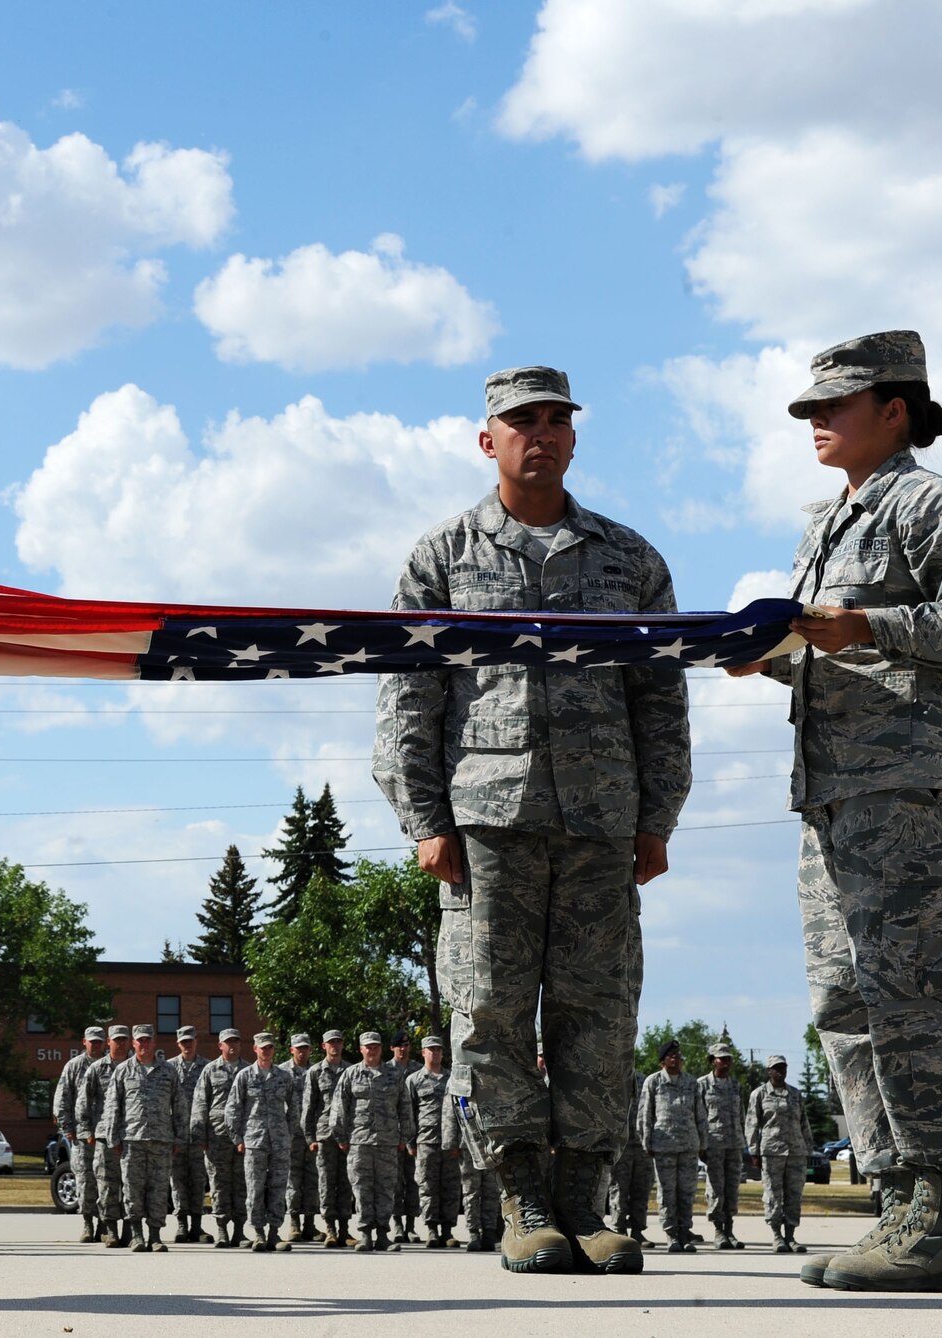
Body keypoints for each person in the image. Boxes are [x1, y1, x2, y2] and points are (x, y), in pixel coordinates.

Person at [374, 365, 690, 1277]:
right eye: (522, 422)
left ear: (575, 438)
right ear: (489, 440)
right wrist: (424, 819)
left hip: (600, 825)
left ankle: (587, 1203)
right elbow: (409, 697)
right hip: (488, 826)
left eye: (556, 420)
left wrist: (657, 815)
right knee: (491, 1015)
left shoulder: (630, 559)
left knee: (599, 1014)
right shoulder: (441, 557)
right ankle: (521, 1200)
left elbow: (659, 699)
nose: (541, 435)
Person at [727, 332, 942, 1295]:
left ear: (895, 409)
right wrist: (768, 656)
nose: (815, 423)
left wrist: (870, 624)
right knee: (845, 1009)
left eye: (833, 406)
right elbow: (836, 649)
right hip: (836, 800)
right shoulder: (829, 522)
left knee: (915, 1003)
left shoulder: (927, 502)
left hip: (916, 801)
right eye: (808, 410)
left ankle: (938, 1219)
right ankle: (896, 1207)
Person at [332, 1031, 411, 1253]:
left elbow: (404, 1107)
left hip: (387, 1141)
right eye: (368, 1046)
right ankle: (365, 1234)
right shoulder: (351, 1074)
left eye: (375, 1045)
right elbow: (340, 1108)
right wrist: (341, 1136)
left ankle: (383, 1235)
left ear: (381, 1048)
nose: (372, 1049)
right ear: (361, 1049)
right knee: (362, 1188)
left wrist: (405, 1137)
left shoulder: (394, 1075)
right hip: (359, 1142)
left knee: (386, 1188)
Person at [107, 1023, 183, 1252]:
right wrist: (113, 1138)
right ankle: (137, 1235)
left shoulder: (169, 1070)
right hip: (132, 1139)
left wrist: (180, 1137)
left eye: (148, 1039)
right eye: (140, 1040)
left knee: (159, 1189)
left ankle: (156, 1236)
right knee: (133, 1189)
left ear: (154, 1042)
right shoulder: (123, 1071)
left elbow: (179, 1106)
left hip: (161, 1140)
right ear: (133, 1043)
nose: (144, 1044)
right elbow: (113, 1106)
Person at [225, 1033, 300, 1252]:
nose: (266, 1051)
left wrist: (288, 1133)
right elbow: (233, 1108)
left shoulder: (284, 1077)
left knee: (278, 1188)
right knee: (255, 1188)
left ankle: (274, 1233)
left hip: (279, 1141)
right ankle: (258, 1233)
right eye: (262, 1048)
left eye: (269, 1048)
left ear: (274, 1050)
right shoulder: (245, 1076)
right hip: (254, 1141)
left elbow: (294, 1109)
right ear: (255, 1049)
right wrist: (237, 1138)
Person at [639, 1041, 705, 1252]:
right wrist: (646, 1141)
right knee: (667, 1193)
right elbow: (645, 1114)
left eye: (678, 1055)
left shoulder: (692, 1083)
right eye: (671, 1055)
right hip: (663, 1145)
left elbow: (700, 1115)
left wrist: (703, 1143)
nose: (676, 1058)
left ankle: (685, 1232)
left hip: (688, 1146)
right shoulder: (654, 1082)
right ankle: (671, 1235)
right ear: (663, 1060)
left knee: (686, 1192)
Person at [746, 1055, 815, 1254]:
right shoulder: (759, 1094)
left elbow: (804, 1123)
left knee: (794, 1195)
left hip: (796, 1152)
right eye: (776, 1068)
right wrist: (754, 1151)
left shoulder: (795, 1094)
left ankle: (791, 1236)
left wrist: (808, 1149)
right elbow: (752, 1124)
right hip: (771, 1152)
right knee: (773, 1196)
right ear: (768, 1071)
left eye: (783, 1067)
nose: (780, 1071)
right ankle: (777, 1236)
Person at [78, 1024, 135, 1246]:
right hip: (104, 1136)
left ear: (129, 1042)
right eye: (116, 1039)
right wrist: (86, 1131)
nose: (120, 1043)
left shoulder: (136, 1067)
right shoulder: (97, 1069)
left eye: (124, 1039)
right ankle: (110, 1230)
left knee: (132, 1185)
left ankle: (130, 1230)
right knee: (107, 1185)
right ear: (108, 1041)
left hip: (132, 1135)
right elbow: (83, 1102)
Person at [192, 1028, 249, 1247]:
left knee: (241, 1184)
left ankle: (240, 1231)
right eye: (228, 1042)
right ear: (220, 1046)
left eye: (236, 1041)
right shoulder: (210, 1070)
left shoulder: (248, 1070)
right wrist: (200, 1135)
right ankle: (222, 1230)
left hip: (244, 1137)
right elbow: (200, 1104)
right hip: (216, 1137)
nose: (232, 1045)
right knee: (219, 1185)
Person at [300, 1029, 356, 1249]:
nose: (335, 1046)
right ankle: (330, 1229)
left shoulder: (351, 1071)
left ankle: (344, 1230)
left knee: (345, 1183)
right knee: (325, 1183)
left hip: (348, 1136)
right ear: (323, 1046)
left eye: (338, 1042)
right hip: (324, 1136)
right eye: (330, 1043)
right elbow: (309, 1107)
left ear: (342, 1044)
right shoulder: (315, 1072)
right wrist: (309, 1137)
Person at [405, 1037, 459, 1249]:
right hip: (426, 1141)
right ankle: (431, 1229)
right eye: (431, 1049)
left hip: (450, 1142)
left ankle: (448, 1230)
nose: (435, 1053)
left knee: (450, 1187)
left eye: (438, 1049)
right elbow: (409, 1113)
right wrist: (411, 1142)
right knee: (427, 1186)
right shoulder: (414, 1080)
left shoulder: (452, 1078)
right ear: (423, 1053)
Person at [55, 1027, 104, 1244]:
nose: (96, 1045)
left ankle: (105, 1224)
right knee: (85, 1180)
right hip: (82, 1136)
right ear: (84, 1042)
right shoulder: (74, 1066)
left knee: (108, 1181)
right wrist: (68, 1129)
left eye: (100, 1042)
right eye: (92, 1041)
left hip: (106, 1135)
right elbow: (62, 1099)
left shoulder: (113, 1065)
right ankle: (87, 1223)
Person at [696, 1042, 747, 1250]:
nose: (726, 1062)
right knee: (716, 1189)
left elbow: (742, 1115)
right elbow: (698, 1115)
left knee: (732, 1189)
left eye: (728, 1059)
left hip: (734, 1144)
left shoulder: (735, 1085)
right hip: (713, 1144)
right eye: (721, 1058)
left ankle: (729, 1230)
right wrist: (701, 1144)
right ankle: (718, 1231)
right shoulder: (702, 1085)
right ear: (712, 1060)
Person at [166, 1026, 212, 1244]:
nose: (187, 1045)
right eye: (183, 1042)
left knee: (198, 1180)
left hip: (198, 1134)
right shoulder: (168, 1068)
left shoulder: (207, 1068)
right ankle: (182, 1225)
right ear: (178, 1044)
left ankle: (197, 1225)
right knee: (178, 1181)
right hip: (176, 1134)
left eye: (190, 1041)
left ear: (196, 1042)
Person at [443, 1093, 501, 1252]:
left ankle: (489, 1233)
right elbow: (450, 1108)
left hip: (491, 1141)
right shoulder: (462, 1072)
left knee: (491, 1190)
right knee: (471, 1191)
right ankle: (474, 1233)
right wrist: (451, 1142)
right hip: (467, 1142)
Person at [608, 1068, 653, 1248]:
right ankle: (619, 1229)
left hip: (642, 1143)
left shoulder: (644, 1080)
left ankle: (637, 1230)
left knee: (641, 1189)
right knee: (619, 1187)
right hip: (620, 1143)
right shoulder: (611, 1077)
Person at [282, 1034, 320, 1243]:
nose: (302, 1051)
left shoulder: (316, 1071)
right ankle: (294, 1223)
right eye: (298, 1048)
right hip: (292, 1134)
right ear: (291, 1050)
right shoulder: (282, 1072)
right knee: (293, 1180)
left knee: (313, 1180)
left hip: (313, 1134)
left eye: (305, 1048)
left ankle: (310, 1224)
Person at [384, 1035, 422, 1244]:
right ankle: (397, 1225)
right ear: (392, 1048)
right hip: (390, 1136)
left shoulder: (418, 1069)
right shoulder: (386, 1070)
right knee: (395, 1184)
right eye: (399, 1045)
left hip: (415, 1136)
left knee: (413, 1182)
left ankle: (411, 1226)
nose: (403, 1049)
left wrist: (411, 1138)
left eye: (406, 1045)